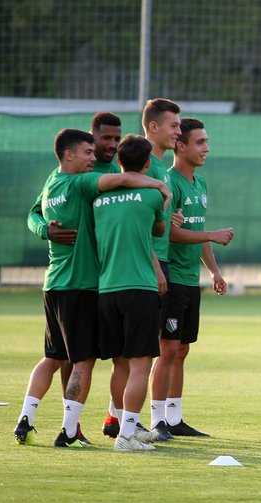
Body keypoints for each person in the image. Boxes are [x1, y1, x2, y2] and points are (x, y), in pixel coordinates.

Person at [13, 129, 168, 447]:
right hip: (82, 284)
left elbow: (32, 213)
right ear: (68, 154)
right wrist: (156, 183)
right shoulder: (82, 184)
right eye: (87, 152)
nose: (93, 157)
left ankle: (25, 418)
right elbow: (122, 182)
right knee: (85, 362)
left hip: (54, 282)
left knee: (52, 357)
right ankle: (71, 431)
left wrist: (44, 228)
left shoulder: (50, 184)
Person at [152, 117, 234, 438]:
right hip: (171, 276)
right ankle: (157, 419)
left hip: (190, 279)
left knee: (182, 349)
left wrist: (214, 271)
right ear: (180, 146)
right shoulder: (170, 182)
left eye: (206, 141)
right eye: (200, 143)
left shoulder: (200, 184)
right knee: (167, 349)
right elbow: (170, 233)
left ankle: (174, 418)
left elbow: (197, 232)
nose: (206, 148)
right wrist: (213, 235)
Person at [93, 134, 167, 451]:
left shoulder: (97, 200)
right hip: (139, 288)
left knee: (119, 364)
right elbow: (160, 229)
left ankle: (128, 427)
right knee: (141, 365)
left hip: (107, 288)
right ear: (147, 163)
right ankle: (125, 436)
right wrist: (160, 191)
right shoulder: (151, 196)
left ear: (118, 162)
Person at [143, 98, 182, 441]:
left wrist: (170, 217)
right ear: (153, 127)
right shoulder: (147, 169)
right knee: (143, 349)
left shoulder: (160, 170)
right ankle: (135, 421)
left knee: (154, 347)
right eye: (173, 126)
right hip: (146, 265)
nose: (178, 132)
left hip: (160, 262)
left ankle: (135, 420)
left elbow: (155, 218)